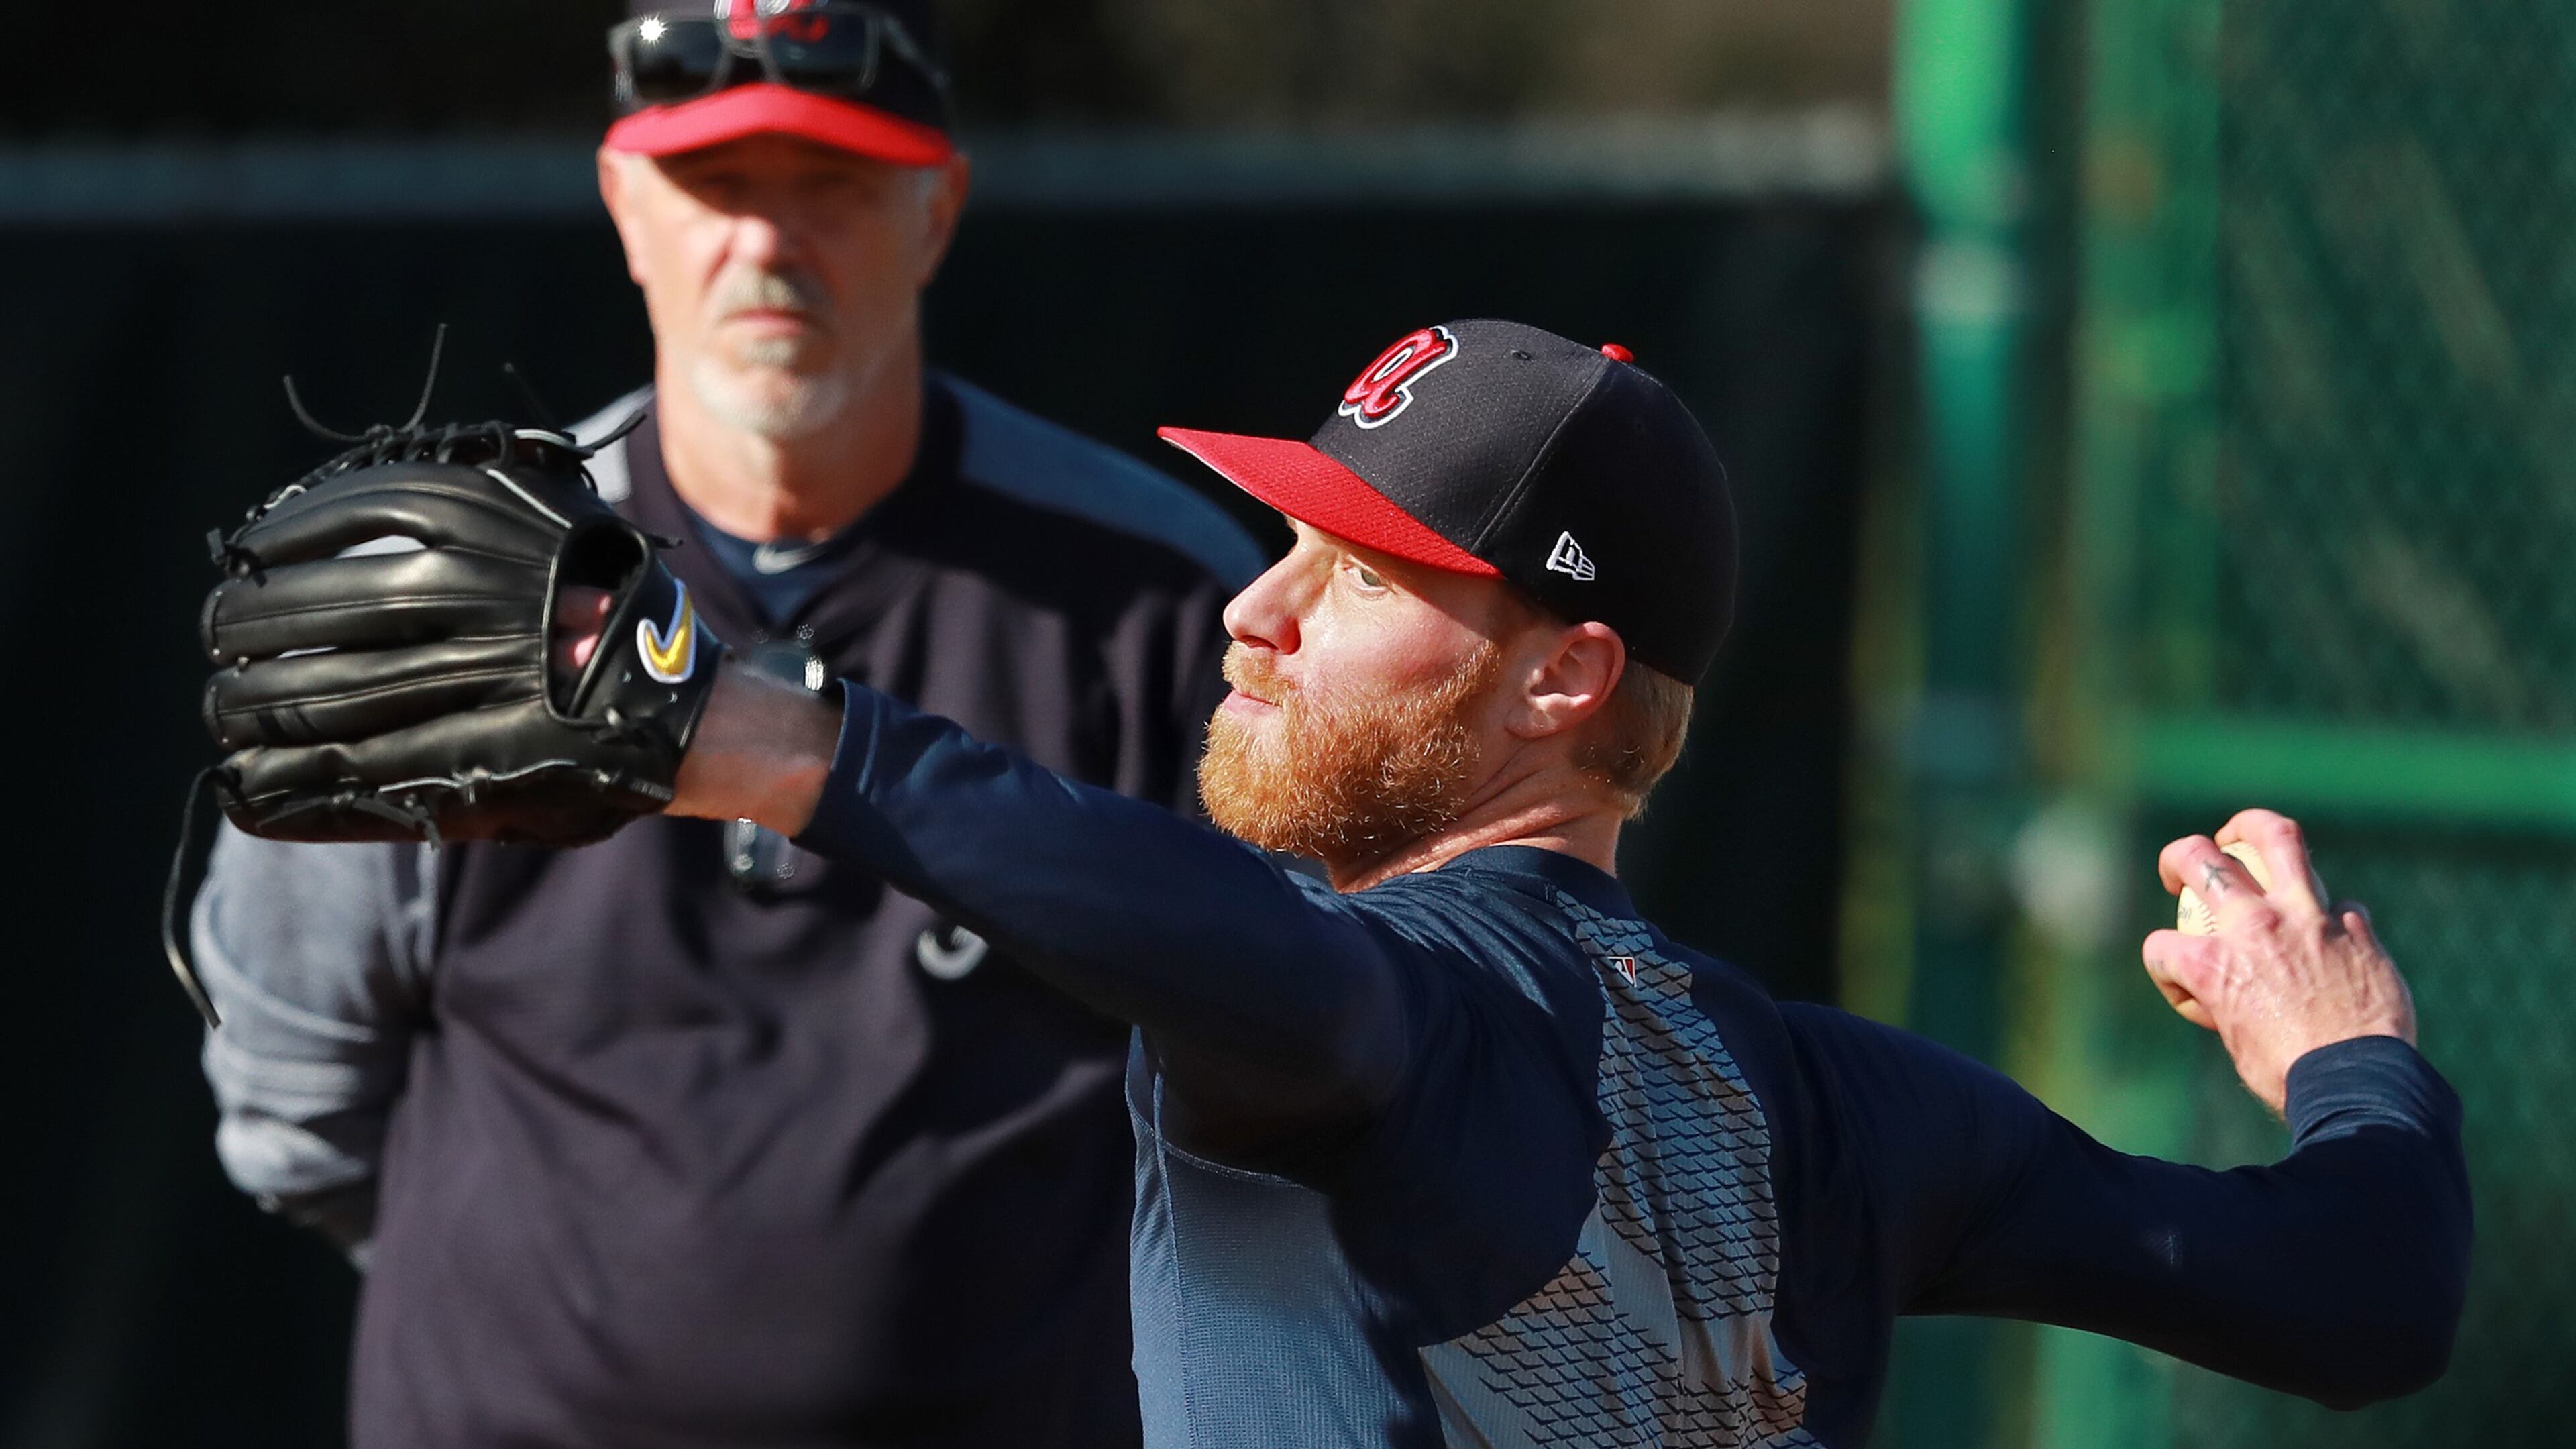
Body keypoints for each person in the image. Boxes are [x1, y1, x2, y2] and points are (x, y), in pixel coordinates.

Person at [612, 318, 2465, 1446]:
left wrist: (758, 730)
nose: (1251, 615)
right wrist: (2345, 1062)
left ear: (1560, 677)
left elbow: (1232, 944)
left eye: (1350, 576)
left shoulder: (1385, 1016)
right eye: (1283, 544)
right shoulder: (1852, 1115)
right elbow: (2362, 1299)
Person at [191, 3, 1261, 1445]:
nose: (766, 242)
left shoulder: (1168, 604)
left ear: (935, 209)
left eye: (830, 183)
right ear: (627, 206)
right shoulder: (449, 598)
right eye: (715, 187)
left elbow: (1297, 1052)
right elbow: (297, 1098)